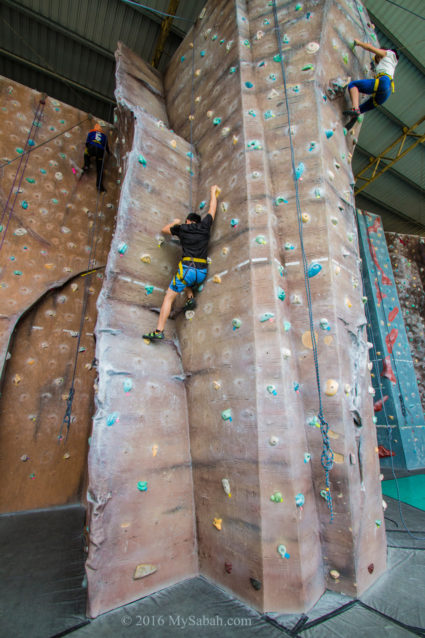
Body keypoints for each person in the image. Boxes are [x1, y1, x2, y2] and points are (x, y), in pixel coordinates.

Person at [143, 185, 220, 341]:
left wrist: (175, 222)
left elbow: (165, 230)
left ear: (188, 221)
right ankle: (190, 297)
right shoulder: (205, 227)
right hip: (202, 272)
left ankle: (159, 330)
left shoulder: (183, 228)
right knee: (186, 281)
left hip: (187, 270)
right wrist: (213, 192)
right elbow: (212, 208)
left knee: (169, 297)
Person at [344, 40, 399, 118]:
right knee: (361, 109)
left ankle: (355, 109)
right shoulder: (391, 64)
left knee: (353, 85)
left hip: (384, 83)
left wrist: (359, 43)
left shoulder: (387, 53)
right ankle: (355, 116)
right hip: (387, 93)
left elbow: (369, 48)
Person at [83, 123, 110, 192]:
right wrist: (109, 153)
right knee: (100, 169)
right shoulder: (104, 136)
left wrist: (88, 148)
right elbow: (106, 147)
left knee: (86, 154)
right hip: (100, 151)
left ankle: (86, 165)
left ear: (94, 128)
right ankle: (99, 185)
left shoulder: (91, 132)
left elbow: (87, 143)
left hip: (92, 147)